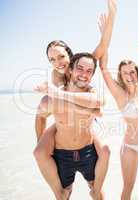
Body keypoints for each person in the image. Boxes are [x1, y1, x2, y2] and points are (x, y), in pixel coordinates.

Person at [33, 1, 116, 199]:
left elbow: (102, 47)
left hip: (84, 122)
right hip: (65, 120)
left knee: (104, 151)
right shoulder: (56, 76)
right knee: (39, 152)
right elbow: (46, 109)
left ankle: (95, 189)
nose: (58, 63)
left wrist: (111, 19)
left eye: (61, 57)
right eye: (52, 60)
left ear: (69, 57)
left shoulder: (81, 65)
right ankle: (60, 192)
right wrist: (42, 139)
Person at [36, 53, 106, 199]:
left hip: (88, 152)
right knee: (63, 195)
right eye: (79, 69)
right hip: (62, 155)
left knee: (97, 193)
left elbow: (99, 102)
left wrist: (58, 95)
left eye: (89, 71)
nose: (84, 74)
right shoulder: (50, 99)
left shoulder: (91, 93)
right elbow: (40, 116)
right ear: (71, 70)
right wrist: (41, 141)